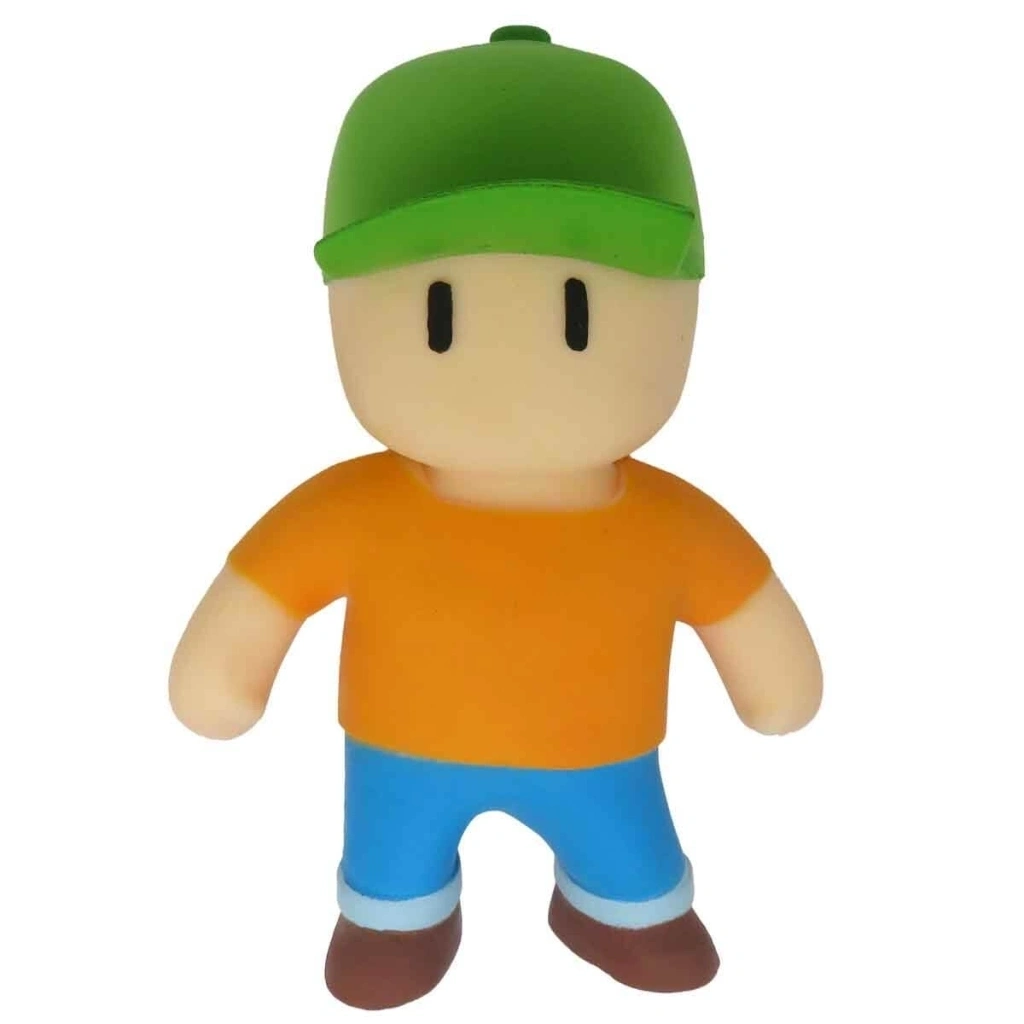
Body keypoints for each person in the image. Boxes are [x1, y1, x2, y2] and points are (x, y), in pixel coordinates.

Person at [170, 25, 822, 1010]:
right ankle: (398, 917)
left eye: (577, 310)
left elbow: (749, 620)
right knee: (391, 870)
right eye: (438, 310)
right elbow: (262, 596)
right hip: (402, 748)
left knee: (632, 864)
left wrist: (777, 688)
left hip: (601, 750)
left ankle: (618, 910)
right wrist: (223, 680)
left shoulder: (671, 521)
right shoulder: (352, 507)